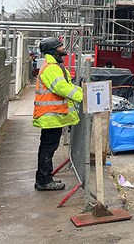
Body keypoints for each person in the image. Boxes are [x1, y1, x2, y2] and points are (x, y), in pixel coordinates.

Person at [32, 36, 83, 191]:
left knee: (49, 147)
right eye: (60, 46)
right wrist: (83, 95)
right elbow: (62, 88)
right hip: (51, 116)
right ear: (53, 50)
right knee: (48, 147)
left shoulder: (54, 66)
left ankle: (45, 178)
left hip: (53, 116)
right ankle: (44, 180)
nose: (63, 48)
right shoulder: (51, 68)